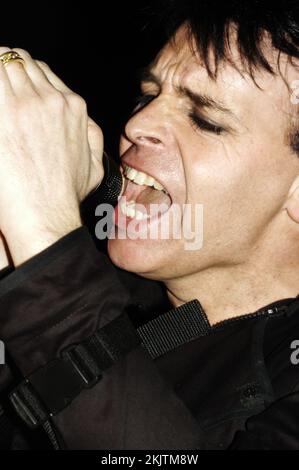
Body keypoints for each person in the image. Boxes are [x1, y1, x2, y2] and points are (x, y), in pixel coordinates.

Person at [0, 0, 299, 450]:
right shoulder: (117, 301)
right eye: (148, 95)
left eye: (205, 119)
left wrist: (47, 249)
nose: (138, 123)